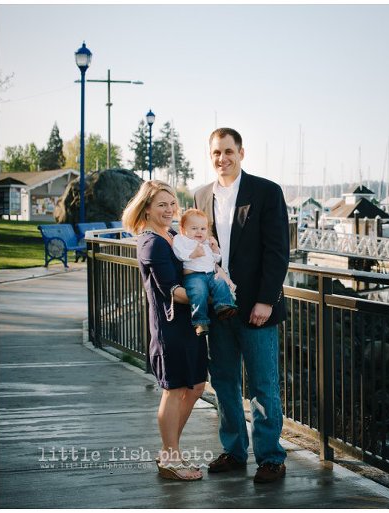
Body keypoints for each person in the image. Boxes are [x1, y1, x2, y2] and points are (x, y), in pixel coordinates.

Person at [194, 127, 290, 483]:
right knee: (224, 382)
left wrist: (266, 300)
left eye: (228, 151)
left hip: (256, 308)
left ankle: (270, 457)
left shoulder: (265, 192)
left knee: (263, 384)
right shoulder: (200, 195)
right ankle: (234, 450)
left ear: (241, 153)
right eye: (216, 152)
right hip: (219, 310)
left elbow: (278, 251)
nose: (223, 158)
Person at [121, 180, 207, 481]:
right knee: (174, 390)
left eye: (172, 204)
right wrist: (208, 295)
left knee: (196, 387)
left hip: (190, 325)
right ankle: (171, 456)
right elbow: (172, 290)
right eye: (162, 205)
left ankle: (169, 449)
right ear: (146, 208)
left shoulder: (172, 234)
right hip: (170, 328)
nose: (169, 210)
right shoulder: (151, 243)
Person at [172, 208, 238, 336]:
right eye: (194, 228)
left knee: (220, 283)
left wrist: (215, 249)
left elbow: (215, 260)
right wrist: (193, 254)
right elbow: (179, 253)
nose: (199, 232)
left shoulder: (206, 242)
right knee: (198, 291)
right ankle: (200, 321)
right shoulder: (180, 239)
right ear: (183, 229)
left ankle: (223, 306)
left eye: (203, 229)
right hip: (194, 275)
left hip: (210, 273)